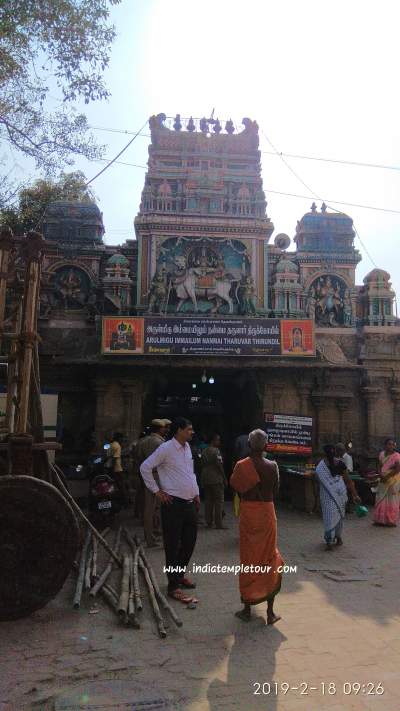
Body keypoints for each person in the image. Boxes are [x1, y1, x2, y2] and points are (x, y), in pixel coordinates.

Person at [140, 417, 200, 603]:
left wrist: (196, 492)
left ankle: (179, 575)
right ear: (179, 431)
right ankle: (173, 586)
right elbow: (145, 467)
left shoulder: (187, 447)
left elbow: (190, 473)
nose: (192, 432)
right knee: (172, 546)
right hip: (173, 504)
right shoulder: (165, 448)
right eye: (189, 429)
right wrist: (157, 491)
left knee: (189, 542)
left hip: (190, 503)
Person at [230, 429, 282, 624]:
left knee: (249, 558)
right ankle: (270, 612)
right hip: (268, 513)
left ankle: (247, 609)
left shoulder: (241, 466)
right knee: (269, 558)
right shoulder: (273, 466)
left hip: (249, 514)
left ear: (249, 445)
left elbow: (235, 486)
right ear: (266, 446)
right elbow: (275, 490)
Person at [315, 444, 360, 550]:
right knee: (337, 516)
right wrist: (355, 494)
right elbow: (348, 481)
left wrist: (355, 494)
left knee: (331, 517)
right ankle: (336, 538)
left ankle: (333, 540)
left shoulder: (321, 466)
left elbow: (348, 480)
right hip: (335, 494)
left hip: (332, 494)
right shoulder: (326, 466)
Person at [134, 419, 169, 546]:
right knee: (153, 508)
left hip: (146, 475)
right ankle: (150, 538)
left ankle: (152, 534)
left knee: (150, 507)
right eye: (165, 428)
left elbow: (137, 458)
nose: (167, 430)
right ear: (159, 429)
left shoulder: (142, 442)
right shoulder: (159, 443)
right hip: (157, 476)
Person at [201, 433, 227, 529]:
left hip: (206, 477)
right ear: (213, 441)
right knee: (219, 501)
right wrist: (224, 478)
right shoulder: (216, 451)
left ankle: (208, 522)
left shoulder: (204, 451)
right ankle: (219, 523)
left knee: (208, 500)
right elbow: (219, 465)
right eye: (218, 440)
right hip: (216, 478)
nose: (219, 442)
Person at [373, 438, 400, 526]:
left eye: (392, 444)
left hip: (393, 479)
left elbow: (397, 469)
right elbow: (379, 466)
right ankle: (380, 519)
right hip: (383, 478)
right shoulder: (381, 454)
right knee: (381, 497)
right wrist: (380, 474)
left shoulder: (397, 455)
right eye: (389, 444)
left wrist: (387, 476)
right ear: (385, 445)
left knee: (391, 499)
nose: (390, 446)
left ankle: (390, 520)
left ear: (394, 446)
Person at [107, 432, 129, 506]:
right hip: (117, 469)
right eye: (122, 438)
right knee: (121, 486)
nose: (123, 440)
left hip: (110, 468)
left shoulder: (110, 445)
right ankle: (124, 502)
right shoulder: (117, 446)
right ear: (119, 438)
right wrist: (113, 469)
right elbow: (115, 458)